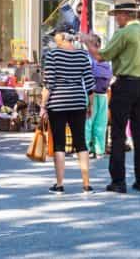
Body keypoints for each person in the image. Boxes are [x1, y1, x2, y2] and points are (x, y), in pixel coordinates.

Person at [83, 2, 140, 194]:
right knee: (139, 135)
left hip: (126, 83)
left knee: (118, 133)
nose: (116, 19)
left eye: (117, 15)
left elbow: (100, 56)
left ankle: (118, 180)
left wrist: (87, 42)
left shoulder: (123, 33)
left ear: (125, 15)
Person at [40, 31, 95, 194]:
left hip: (57, 102)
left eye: (57, 37)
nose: (55, 40)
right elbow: (90, 82)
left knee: (59, 144)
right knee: (81, 142)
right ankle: (86, 185)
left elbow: (48, 83)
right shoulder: (82, 55)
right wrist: (90, 105)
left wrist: (43, 105)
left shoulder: (53, 55)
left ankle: (59, 185)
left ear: (64, 38)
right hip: (78, 101)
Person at [84, 35, 113, 159]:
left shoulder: (89, 58)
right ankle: (96, 150)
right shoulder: (103, 58)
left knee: (91, 123)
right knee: (97, 124)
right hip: (99, 94)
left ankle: (90, 149)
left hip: (95, 95)